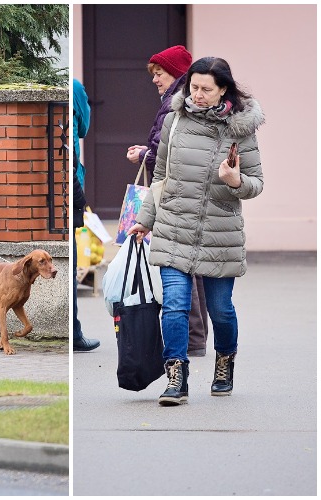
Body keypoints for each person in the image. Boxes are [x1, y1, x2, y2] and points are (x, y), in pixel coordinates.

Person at [128, 57, 264, 406]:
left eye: (206, 89)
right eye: (193, 87)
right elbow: (160, 178)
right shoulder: (174, 121)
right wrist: (144, 219)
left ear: (223, 90)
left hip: (220, 233)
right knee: (174, 305)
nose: (198, 95)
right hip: (174, 225)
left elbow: (256, 183)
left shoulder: (240, 129)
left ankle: (224, 363)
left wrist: (236, 181)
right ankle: (176, 378)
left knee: (220, 310)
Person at [125, 45, 210, 358]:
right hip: (185, 199)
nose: (154, 79)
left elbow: (170, 155)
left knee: (179, 266)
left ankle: (192, 338)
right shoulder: (176, 101)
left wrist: (144, 155)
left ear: (174, 72)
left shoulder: (176, 104)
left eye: (158, 73)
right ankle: (195, 337)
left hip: (176, 200)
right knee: (190, 267)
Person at [71, 79, 100, 352]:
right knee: (70, 261)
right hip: (69, 191)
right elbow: (83, 128)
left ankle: (74, 331)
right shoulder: (75, 87)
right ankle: (74, 334)